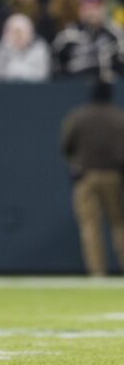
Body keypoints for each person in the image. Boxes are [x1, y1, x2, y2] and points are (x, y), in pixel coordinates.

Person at [60, 80, 124, 276]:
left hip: (86, 177)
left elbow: (67, 145)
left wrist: (75, 162)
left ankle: (97, 273)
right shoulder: (119, 118)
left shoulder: (78, 117)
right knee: (120, 224)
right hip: (115, 176)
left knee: (90, 226)